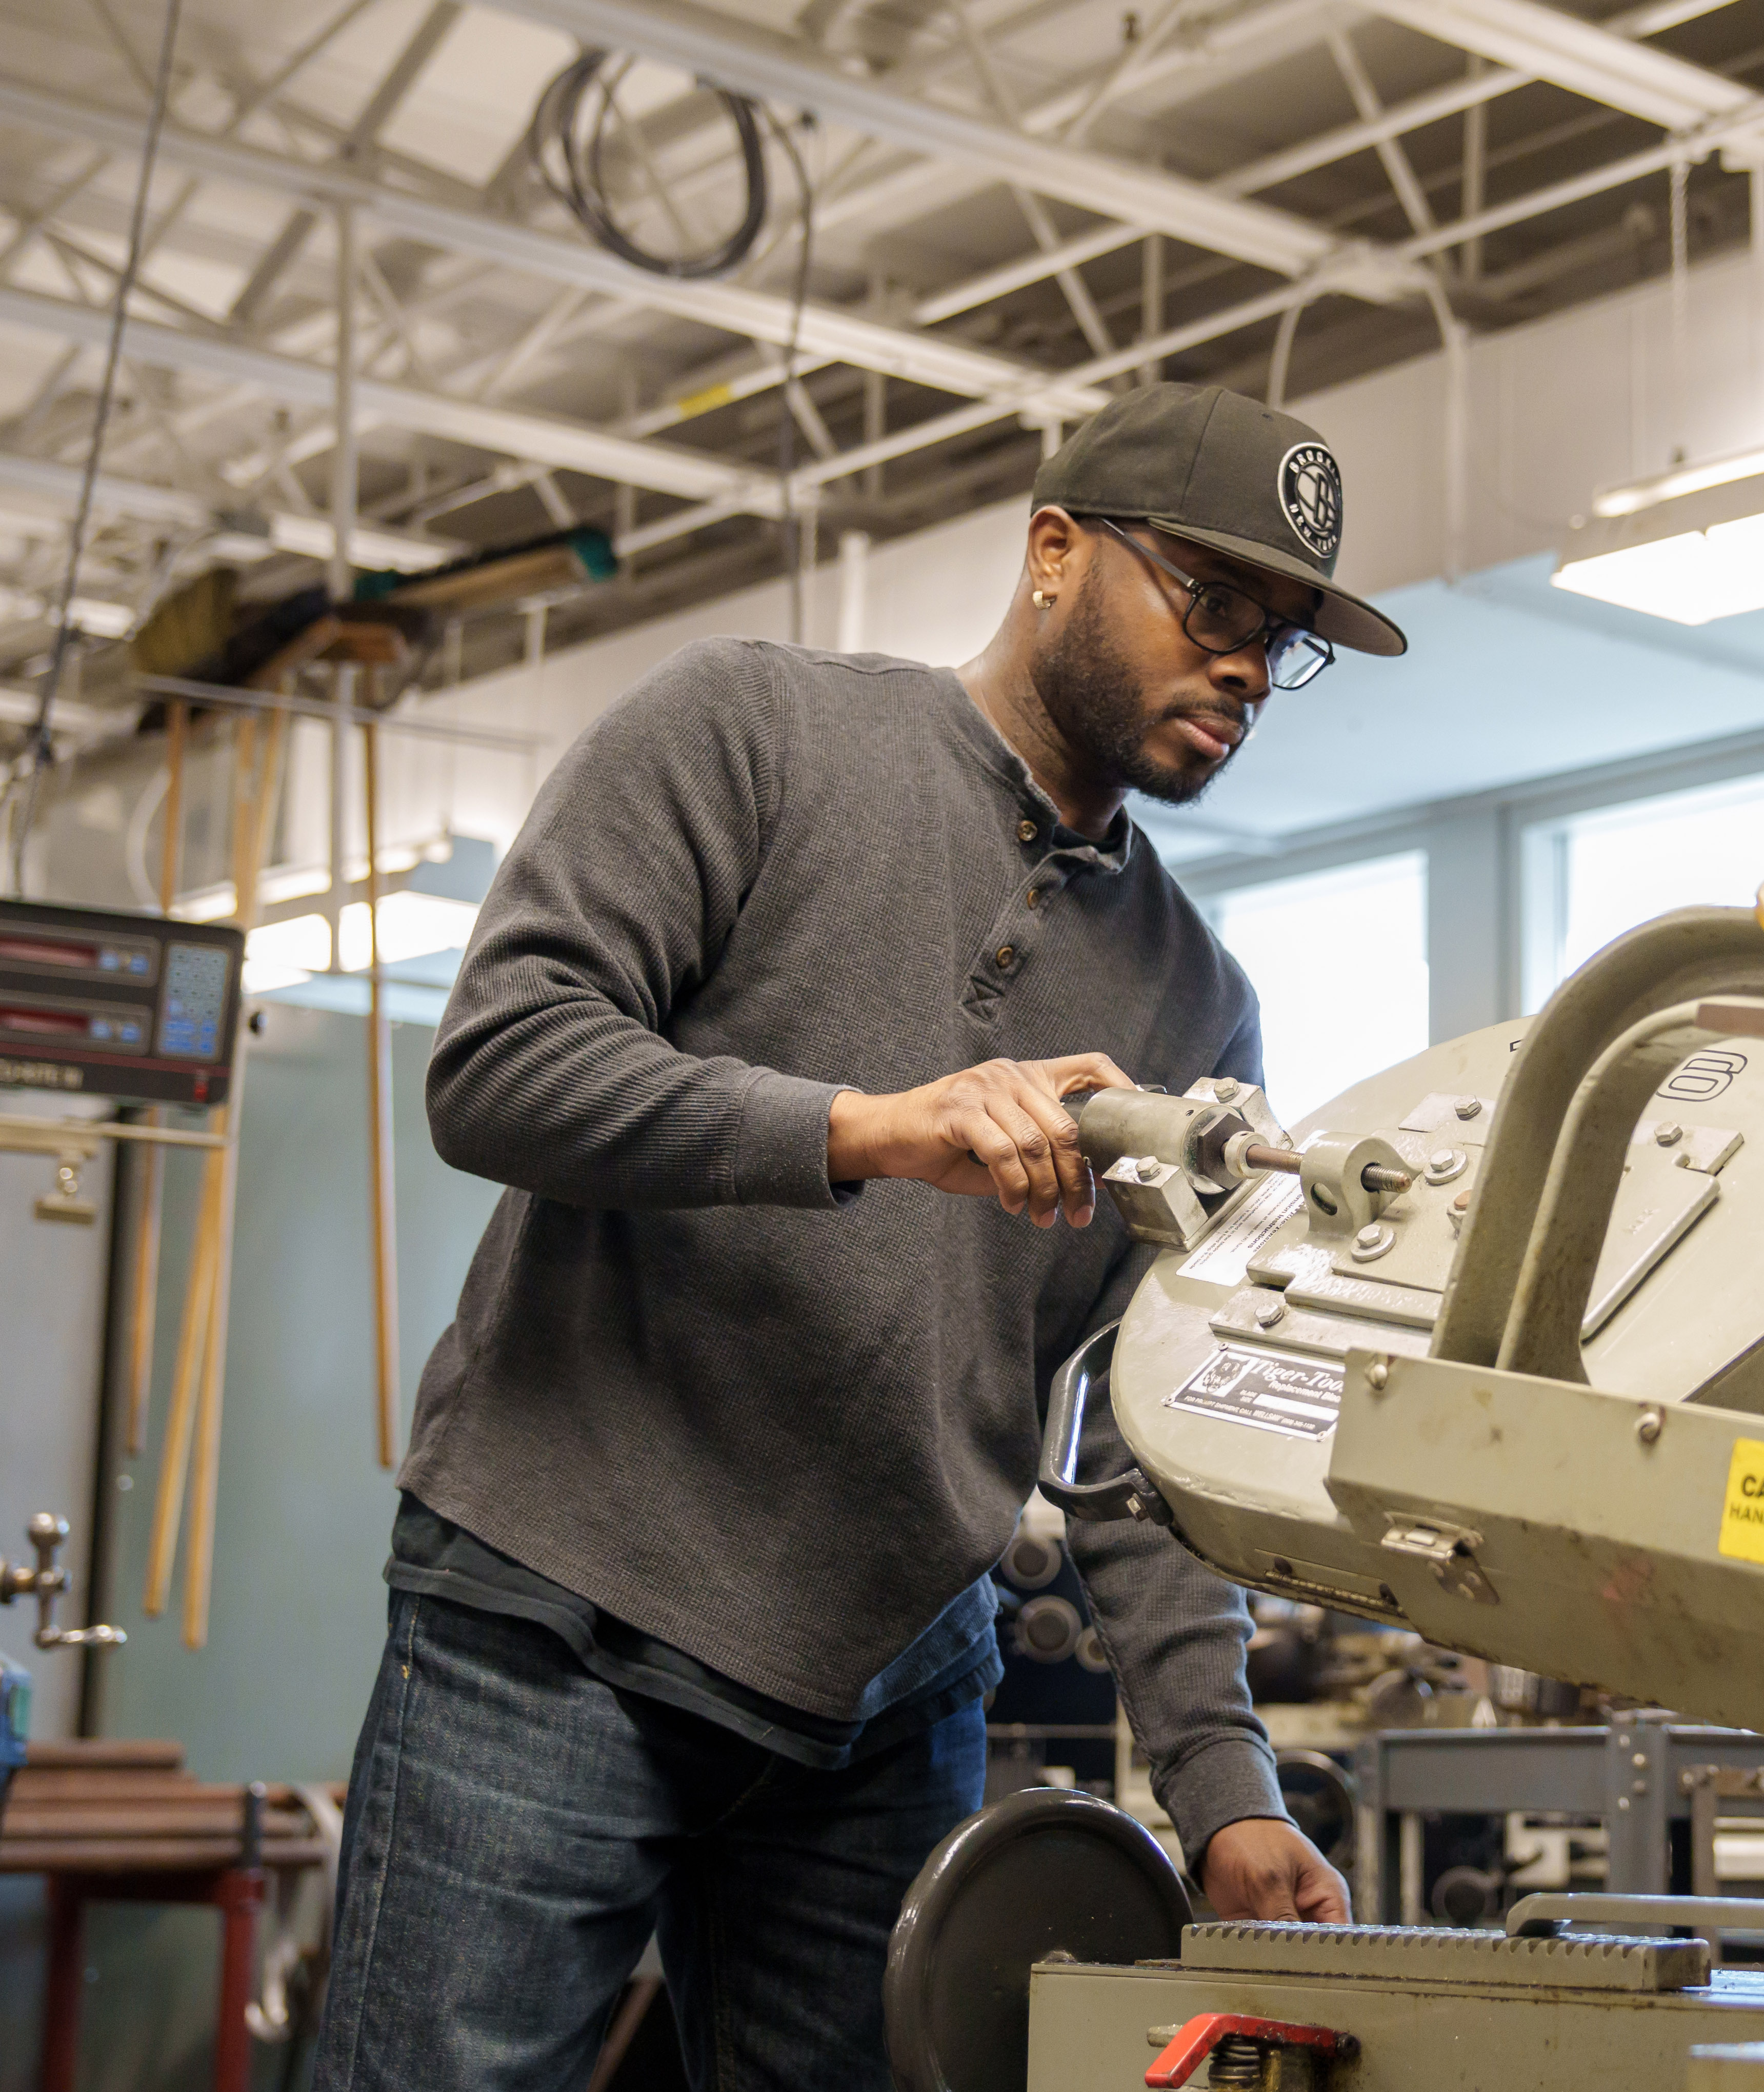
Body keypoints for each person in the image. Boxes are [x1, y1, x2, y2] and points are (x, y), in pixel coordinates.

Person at [314, 383, 1410, 2090]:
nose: (1253, 667)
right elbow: (501, 1063)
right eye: (1214, 605)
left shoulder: (1201, 1000)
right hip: (555, 1630)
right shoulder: (752, 731)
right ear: (1055, 552)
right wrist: (866, 1127)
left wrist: (1224, 1781)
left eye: (1283, 639)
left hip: (884, 1707)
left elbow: (1143, 1418)